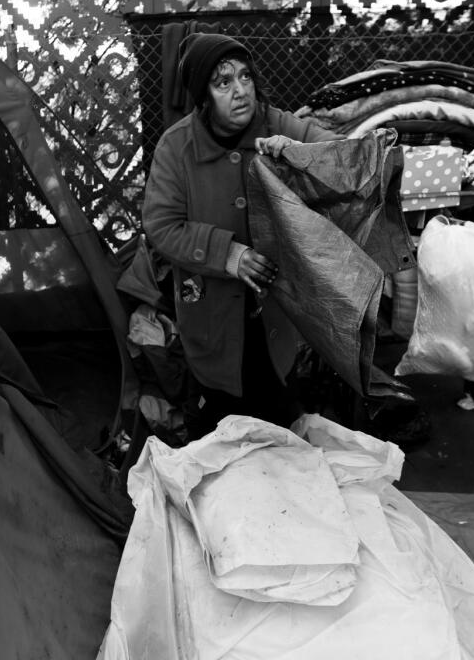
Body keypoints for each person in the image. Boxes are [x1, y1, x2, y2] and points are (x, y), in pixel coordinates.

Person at [141, 32, 342, 438]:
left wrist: (298, 153)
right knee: (214, 437)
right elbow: (161, 225)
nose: (240, 91)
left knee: (280, 432)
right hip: (211, 321)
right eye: (223, 82)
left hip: (276, 317)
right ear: (203, 95)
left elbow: (342, 156)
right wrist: (229, 254)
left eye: (246, 77)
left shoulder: (276, 124)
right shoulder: (176, 147)